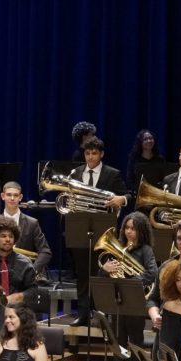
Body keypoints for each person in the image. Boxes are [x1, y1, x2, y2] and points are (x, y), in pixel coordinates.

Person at [65, 137, 128, 324]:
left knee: (102, 272)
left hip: (104, 229)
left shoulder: (112, 173)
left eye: (94, 153)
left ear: (102, 154)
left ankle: (102, 314)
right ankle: (83, 314)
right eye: (87, 153)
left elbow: (128, 194)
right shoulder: (75, 173)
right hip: (80, 227)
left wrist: (121, 199)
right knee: (83, 273)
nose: (90, 157)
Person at [102, 212, 159, 361]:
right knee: (117, 342)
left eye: (133, 228)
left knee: (135, 343)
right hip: (118, 302)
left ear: (141, 230)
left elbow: (152, 273)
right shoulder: (118, 248)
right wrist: (105, 269)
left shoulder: (146, 250)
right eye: (126, 228)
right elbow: (109, 276)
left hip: (135, 302)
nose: (129, 232)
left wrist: (133, 280)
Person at [0, 181, 52, 278]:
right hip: (0, 274)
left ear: (20, 197)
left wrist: (32, 272)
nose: (12, 198)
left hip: (24, 273)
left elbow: (45, 252)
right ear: (2, 196)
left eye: (15, 195)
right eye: (9, 195)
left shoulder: (32, 223)